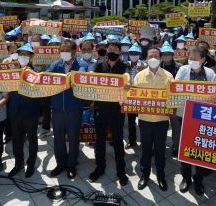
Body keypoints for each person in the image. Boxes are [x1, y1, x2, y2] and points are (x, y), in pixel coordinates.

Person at [174, 47, 216, 196]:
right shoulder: (182, 71)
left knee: (200, 147)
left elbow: (214, 96)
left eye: (195, 58)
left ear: (203, 59)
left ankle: (198, 178)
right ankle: (186, 177)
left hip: (203, 117)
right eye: (190, 58)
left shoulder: (210, 74)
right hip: (185, 115)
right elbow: (175, 89)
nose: (191, 61)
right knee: (184, 146)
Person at [87, 40, 131, 185]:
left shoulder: (124, 65)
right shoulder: (99, 64)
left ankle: (121, 170)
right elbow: (91, 74)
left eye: (114, 49)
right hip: (100, 110)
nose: (111, 50)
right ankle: (100, 167)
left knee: (118, 141)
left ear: (119, 51)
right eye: (109, 48)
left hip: (116, 111)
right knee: (99, 141)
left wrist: (127, 83)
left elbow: (127, 76)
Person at [46, 39, 88, 179]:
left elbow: (81, 75)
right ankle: (61, 163)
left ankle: (71, 164)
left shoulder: (80, 64)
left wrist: (74, 77)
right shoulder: (55, 65)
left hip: (74, 108)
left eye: (67, 50)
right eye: (62, 50)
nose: (63, 53)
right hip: (57, 108)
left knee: (73, 137)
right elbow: (46, 77)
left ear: (74, 52)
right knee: (58, 137)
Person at [133, 46, 171, 191]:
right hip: (145, 120)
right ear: (146, 59)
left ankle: (161, 175)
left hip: (162, 120)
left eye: (156, 56)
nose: (153, 58)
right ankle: (145, 174)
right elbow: (133, 97)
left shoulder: (168, 76)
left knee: (160, 149)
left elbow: (173, 97)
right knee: (145, 149)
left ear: (160, 59)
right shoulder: (139, 76)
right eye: (150, 56)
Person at [7, 45, 41, 178]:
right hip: (15, 110)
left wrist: (30, 74)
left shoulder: (37, 71)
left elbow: (42, 90)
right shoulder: (12, 71)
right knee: (16, 139)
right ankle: (18, 163)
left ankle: (31, 164)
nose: (23, 57)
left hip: (30, 110)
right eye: (21, 54)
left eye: (26, 55)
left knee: (32, 139)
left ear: (31, 57)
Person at [126, 43, 146, 150]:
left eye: (135, 53)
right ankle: (132, 140)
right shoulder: (125, 65)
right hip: (129, 98)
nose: (133, 55)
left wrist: (143, 71)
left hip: (141, 98)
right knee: (130, 121)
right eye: (131, 53)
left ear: (139, 54)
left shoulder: (145, 65)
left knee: (143, 121)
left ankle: (144, 141)